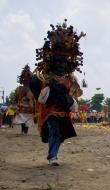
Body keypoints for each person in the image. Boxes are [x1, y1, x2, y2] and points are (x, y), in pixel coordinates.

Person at [29, 19, 84, 166]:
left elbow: (77, 94)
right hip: (49, 111)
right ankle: (52, 157)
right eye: (57, 62)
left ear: (68, 65)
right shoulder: (45, 77)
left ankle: (53, 155)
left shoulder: (70, 79)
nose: (60, 65)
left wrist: (70, 98)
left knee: (60, 135)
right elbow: (39, 97)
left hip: (63, 111)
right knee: (55, 132)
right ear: (51, 62)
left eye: (63, 63)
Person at [14, 65, 35, 135]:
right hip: (26, 107)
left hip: (24, 107)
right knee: (25, 120)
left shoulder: (22, 89)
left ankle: (24, 131)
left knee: (24, 120)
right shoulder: (22, 89)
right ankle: (24, 131)